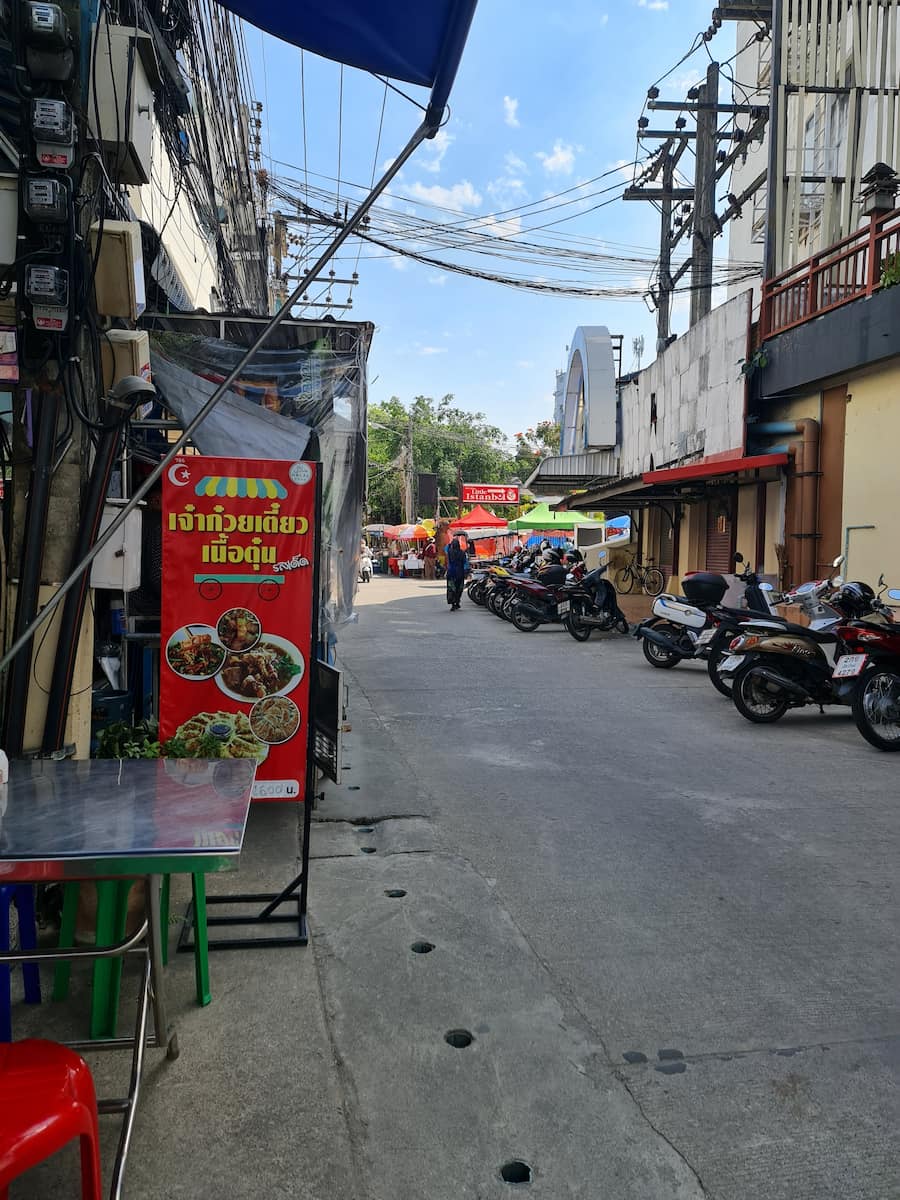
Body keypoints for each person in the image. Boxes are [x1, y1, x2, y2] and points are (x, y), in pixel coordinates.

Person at [445, 536, 467, 611]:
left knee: (451, 588)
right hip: (460, 572)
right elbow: (464, 562)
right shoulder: (462, 552)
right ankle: (457, 602)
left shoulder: (449, 552)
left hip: (451, 572)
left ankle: (453, 603)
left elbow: (447, 548)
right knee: (459, 588)